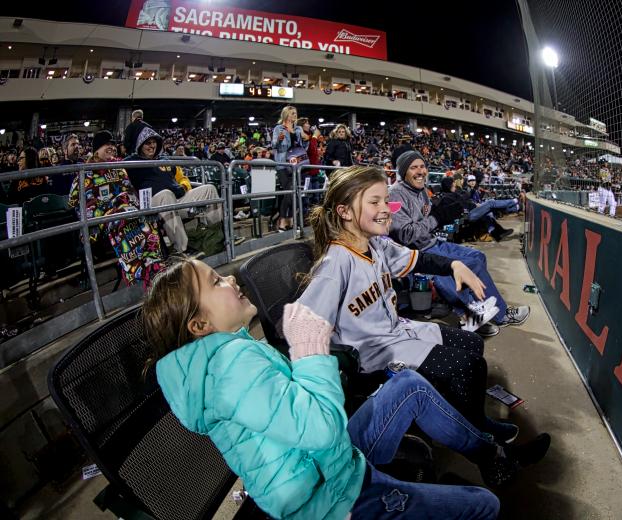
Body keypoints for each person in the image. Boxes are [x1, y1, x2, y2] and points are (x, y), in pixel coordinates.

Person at [146, 256, 550, 519]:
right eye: (216, 282)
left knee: (409, 384)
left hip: (323, 462)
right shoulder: (229, 366)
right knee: (484, 508)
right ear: (199, 325)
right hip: (328, 498)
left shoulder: (224, 356)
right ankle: (491, 460)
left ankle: (492, 456)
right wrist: (309, 350)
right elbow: (318, 426)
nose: (230, 279)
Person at [298, 165, 552, 451]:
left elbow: (419, 259)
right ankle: (481, 439)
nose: (386, 209)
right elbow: (302, 329)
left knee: (471, 343)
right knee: (469, 366)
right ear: (344, 212)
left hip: (396, 331)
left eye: (385, 200)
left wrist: (454, 264)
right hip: (373, 354)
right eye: (375, 202)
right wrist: (328, 386)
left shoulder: (376, 245)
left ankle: (466, 417)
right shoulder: (334, 265)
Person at [389, 151, 531, 335]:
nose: (420, 171)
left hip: (432, 242)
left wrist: (445, 214)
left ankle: (479, 311)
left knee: (477, 256)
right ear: (403, 172)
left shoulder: (422, 191)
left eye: (422, 166)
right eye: (413, 167)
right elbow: (406, 235)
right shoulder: (395, 195)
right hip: (415, 252)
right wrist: (437, 218)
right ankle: (488, 315)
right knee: (464, 266)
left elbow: (431, 220)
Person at [68, 130, 164, 286]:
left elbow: (129, 191)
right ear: (97, 148)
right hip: (100, 219)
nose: (112, 147)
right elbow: (74, 202)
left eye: (113, 144)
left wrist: (133, 206)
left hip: (126, 211)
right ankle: (137, 275)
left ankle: (154, 263)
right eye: (107, 144)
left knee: (146, 214)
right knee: (123, 217)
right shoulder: (86, 171)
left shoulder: (119, 167)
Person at [125, 121, 222, 253]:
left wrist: (184, 186)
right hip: (151, 205)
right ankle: (181, 249)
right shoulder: (131, 162)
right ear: (140, 145)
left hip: (177, 200)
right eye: (148, 143)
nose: (152, 146)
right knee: (166, 195)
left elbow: (183, 178)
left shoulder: (166, 160)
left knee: (209, 189)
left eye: (154, 142)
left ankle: (216, 237)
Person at [271, 105, 303, 231]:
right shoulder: (278, 128)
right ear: (286, 115)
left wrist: (293, 132)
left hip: (296, 164)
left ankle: (286, 220)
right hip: (282, 165)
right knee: (289, 191)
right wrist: (279, 139)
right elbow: (274, 145)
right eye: (291, 113)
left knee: (292, 192)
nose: (294, 116)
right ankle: (288, 220)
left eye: (295, 113)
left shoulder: (298, 129)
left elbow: (301, 145)